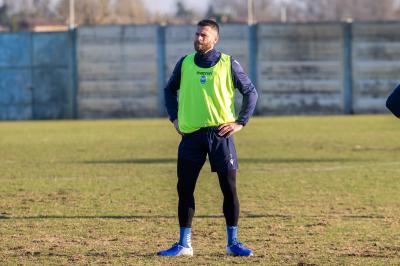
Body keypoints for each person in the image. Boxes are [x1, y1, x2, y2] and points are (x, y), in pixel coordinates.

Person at [157, 19, 258, 257]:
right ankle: (184, 245)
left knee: (229, 189)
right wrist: (174, 118)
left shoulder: (228, 63)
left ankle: (233, 243)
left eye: (203, 35)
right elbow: (169, 90)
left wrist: (240, 122)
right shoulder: (185, 63)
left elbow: (250, 92)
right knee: (184, 188)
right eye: (197, 34)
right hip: (191, 136)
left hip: (220, 135)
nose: (198, 38)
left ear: (215, 39)